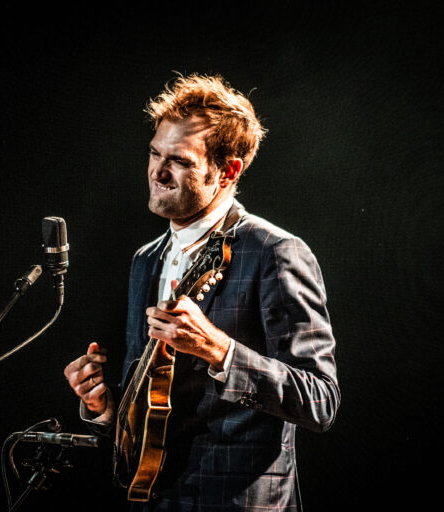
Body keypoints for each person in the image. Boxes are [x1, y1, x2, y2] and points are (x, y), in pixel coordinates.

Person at [64, 74, 340, 511]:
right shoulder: (146, 259)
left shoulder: (275, 253)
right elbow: (154, 406)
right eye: (155, 153)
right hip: (153, 497)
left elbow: (320, 399)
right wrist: (104, 405)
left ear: (228, 170)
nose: (157, 171)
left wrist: (220, 349)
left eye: (180, 161)